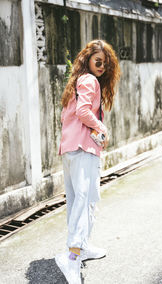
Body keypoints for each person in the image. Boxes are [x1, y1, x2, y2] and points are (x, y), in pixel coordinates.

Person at [55, 39, 120, 284]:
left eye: (105, 63)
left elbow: (71, 115)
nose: (102, 66)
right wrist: (102, 128)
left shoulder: (79, 81)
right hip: (83, 149)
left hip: (71, 149)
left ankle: (81, 247)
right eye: (98, 61)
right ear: (88, 60)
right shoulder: (89, 81)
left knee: (77, 201)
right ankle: (72, 258)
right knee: (87, 201)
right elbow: (83, 112)